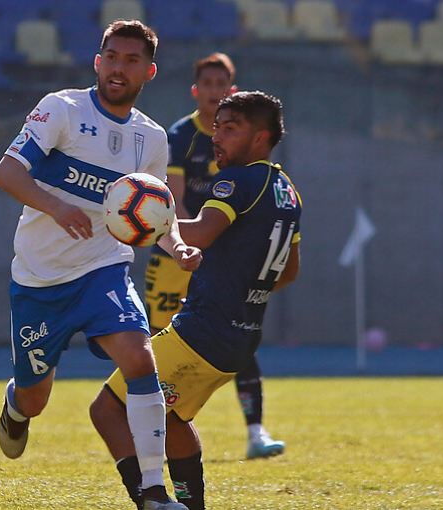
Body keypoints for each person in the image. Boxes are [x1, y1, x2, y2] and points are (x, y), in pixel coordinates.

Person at [0, 19, 202, 510]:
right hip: (39, 280)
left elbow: (156, 216)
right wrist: (57, 207)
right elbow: (7, 172)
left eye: (131, 61)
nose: (118, 68)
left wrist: (177, 247)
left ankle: (153, 492)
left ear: (148, 72)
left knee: (139, 357)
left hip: (103, 269)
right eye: (112, 57)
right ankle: (15, 407)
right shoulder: (60, 109)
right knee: (35, 398)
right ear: (97, 61)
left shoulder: (150, 139)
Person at [91, 91, 302, 510]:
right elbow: (290, 271)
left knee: (107, 410)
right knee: (170, 417)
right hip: (242, 338)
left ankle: (149, 501)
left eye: (230, 128)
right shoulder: (286, 190)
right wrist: (245, 293)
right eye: (216, 127)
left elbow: (200, 234)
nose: (216, 137)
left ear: (260, 138)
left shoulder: (236, 181)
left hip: (202, 331)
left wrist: (138, 219)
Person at [143, 53, 285, 460]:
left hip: (222, 258)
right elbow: (174, 199)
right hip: (180, 251)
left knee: (238, 339)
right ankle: (156, 428)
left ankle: (255, 431)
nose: (213, 91)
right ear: (195, 90)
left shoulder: (245, 145)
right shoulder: (181, 135)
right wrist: (186, 244)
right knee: (157, 344)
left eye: (221, 83)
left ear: (233, 90)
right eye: (206, 83)